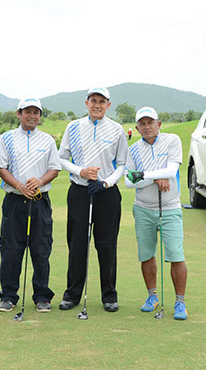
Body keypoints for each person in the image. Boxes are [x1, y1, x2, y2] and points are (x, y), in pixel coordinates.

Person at [58, 86, 128, 312]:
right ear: (86, 103)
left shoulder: (117, 130)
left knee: (107, 245)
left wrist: (106, 182)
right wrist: (81, 171)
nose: (97, 105)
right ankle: (72, 294)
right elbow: (62, 158)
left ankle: (109, 295)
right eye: (93, 100)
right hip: (80, 191)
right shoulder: (73, 126)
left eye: (102, 101)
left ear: (108, 105)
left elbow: (122, 164)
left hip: (107, 193)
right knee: (77, 244)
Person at [0, 98, 61, 313]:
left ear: (40, 115)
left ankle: (42, 296)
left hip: (40, 201)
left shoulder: (48, 140)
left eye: (36, 112)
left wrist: (39, 181)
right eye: (28, 111)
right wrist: (20, 186)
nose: (32, 116)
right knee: (11, 250)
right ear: (19, 113)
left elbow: (54, 168)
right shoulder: (7, 138)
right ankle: (8, 296)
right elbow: (0, 167)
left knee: (41, 250)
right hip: (15, 201)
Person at [125, 106, 189, 320]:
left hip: (170, 208)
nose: (146, 127)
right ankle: (152, 296)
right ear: (137, 128)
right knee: (146, 255)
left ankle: (180, 302)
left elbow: (171, 171)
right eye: (142, 124)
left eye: (150, 122)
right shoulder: (133, 149)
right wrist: (155, 178)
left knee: (176, 256)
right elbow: (128, 180)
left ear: (159, 124)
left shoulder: (172, 141)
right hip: (143, 209)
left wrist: (144, 176)